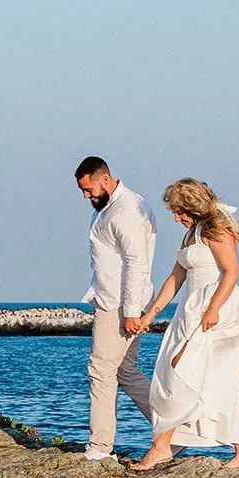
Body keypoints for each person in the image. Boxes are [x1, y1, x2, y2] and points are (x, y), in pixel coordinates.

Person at [129, 177, 239, 470]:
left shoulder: (217, 230)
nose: (176, 218)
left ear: (194, 207)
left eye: (180, 211)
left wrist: (212, 310)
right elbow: (176, 277)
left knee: (178, 373)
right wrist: (151, 314)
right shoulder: (191, 235)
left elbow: (231, 272)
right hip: (191, 309)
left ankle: (163, 447)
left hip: (218, 309)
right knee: (197, 377)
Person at [75, 155, 157, 461]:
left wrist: (131, 311)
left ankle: (100, 447)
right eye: (83, 192)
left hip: (120, 304)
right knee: (126, 371)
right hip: (115, 300)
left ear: (105, 180)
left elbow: (137, 264)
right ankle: (172, 428)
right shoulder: (111, 208)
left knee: (101, 371)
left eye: (90, 190)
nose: (87, 196)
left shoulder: (126, 212)